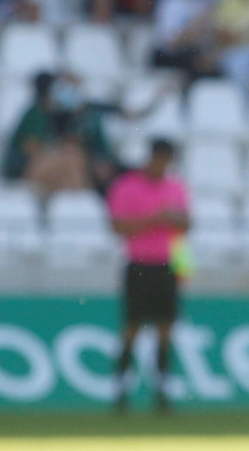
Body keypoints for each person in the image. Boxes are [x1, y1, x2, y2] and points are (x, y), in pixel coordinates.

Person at [107, 139, 191, 414]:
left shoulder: (176, 186)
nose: (162, 165)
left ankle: (162, 392)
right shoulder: (127, 185)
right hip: (138, 264)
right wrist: (157, 218)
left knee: (165, 331)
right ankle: (120, 389)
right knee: (131, 328)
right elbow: (118, 226)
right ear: (151, 157)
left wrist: (174, 220)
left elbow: (188, 223)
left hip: (167, 264)